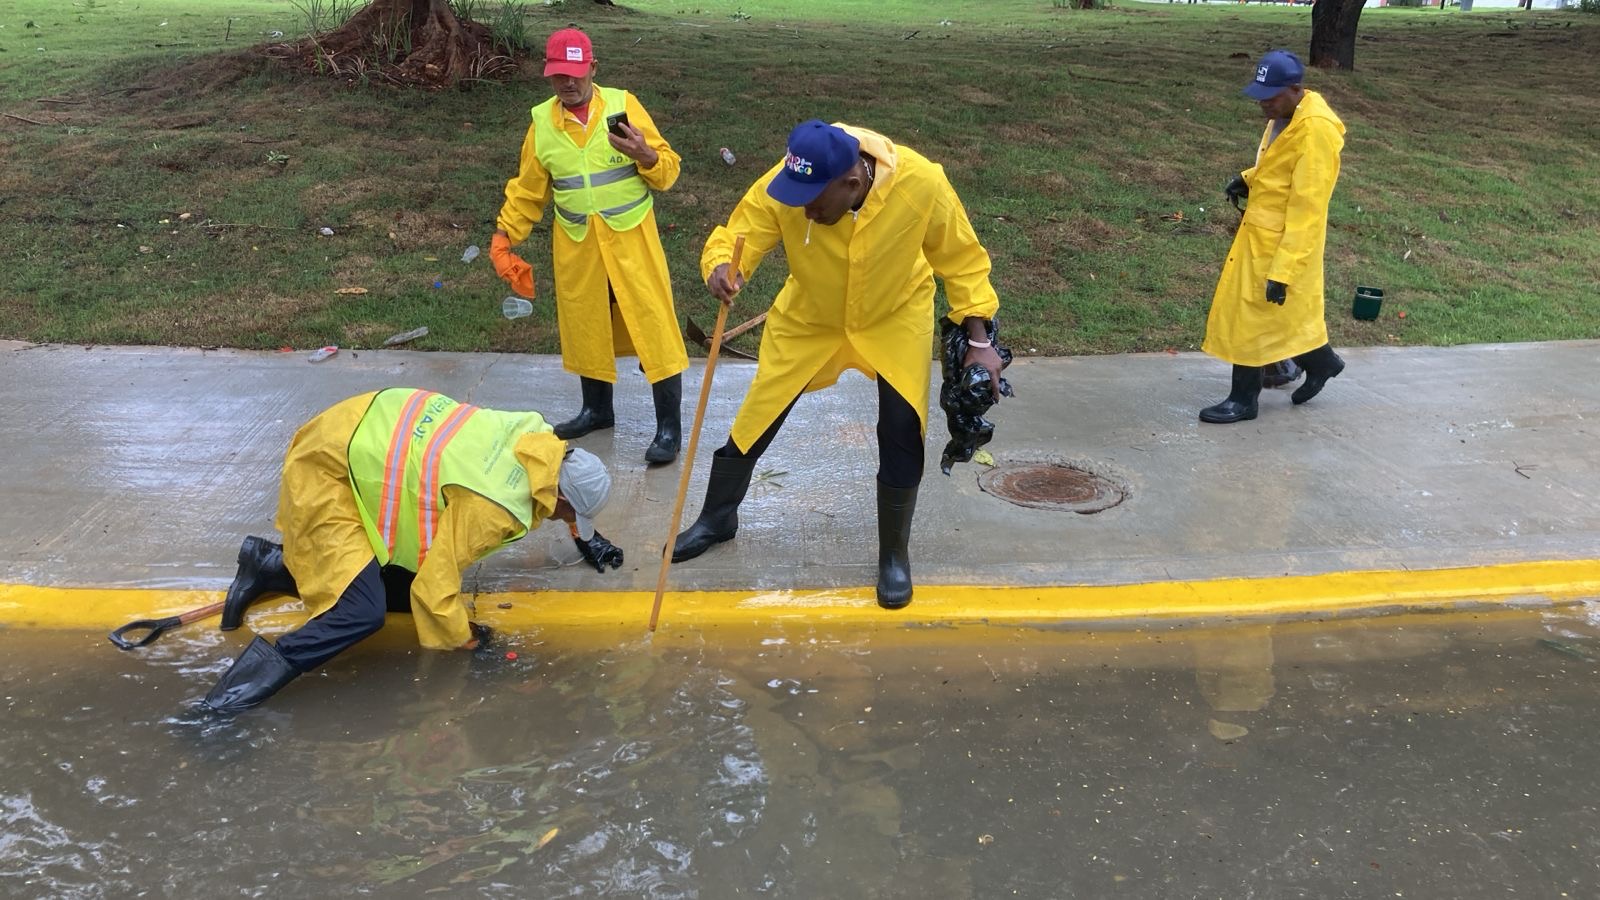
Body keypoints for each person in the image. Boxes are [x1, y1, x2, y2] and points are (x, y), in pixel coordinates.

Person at [671, 119, 1004, 610]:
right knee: (760, 410)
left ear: (853, 184)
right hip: (812, 315)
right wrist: (723, 266)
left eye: (813, 202)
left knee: (901, 425)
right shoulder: (794, 179)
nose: (802, 208)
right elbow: (741, 232)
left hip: (894, 315)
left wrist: (979, 341)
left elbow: (963, 261)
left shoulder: (922, 183)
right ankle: (718, 518)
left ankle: (894, 553)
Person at [203, 388, 622, 713]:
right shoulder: (496, 508)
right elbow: (434, 591)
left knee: (396, 594)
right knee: (360, 614)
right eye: (568, 515)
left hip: (361, 422)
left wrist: (588, 537)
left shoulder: (534, 435)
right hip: (332, 469)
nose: (563, 522)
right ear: (560, 498)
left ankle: (267, 566)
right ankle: (222, 703)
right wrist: (468, 643)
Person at [490, 27, 688, 464]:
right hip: (578, 243)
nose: (568, 82)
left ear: (593, 69)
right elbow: (528, 190)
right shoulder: (542, 123)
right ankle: (597, 409)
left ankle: (668, 428)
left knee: (654, 325)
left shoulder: (623, 105)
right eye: (559, 74)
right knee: (585, 324)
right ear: (549, 75)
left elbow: (669, 171)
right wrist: (505, 235)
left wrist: (647, 155)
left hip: (631, 239)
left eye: (576, 73)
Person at [1201, 49, 1347, 424]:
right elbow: (1279, 169)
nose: (1262, 103)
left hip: (1282, 243)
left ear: (1296, 88)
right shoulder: (1286, 115)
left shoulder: (1316, 131)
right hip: (1259, 235)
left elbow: (1308, 208)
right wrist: (1249, 178)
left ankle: (1243, 400)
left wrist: (1284, 270)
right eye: (1259, 95)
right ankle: (1324, 363)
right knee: (1279, 317)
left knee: (1252, 317)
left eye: (1270, 95)